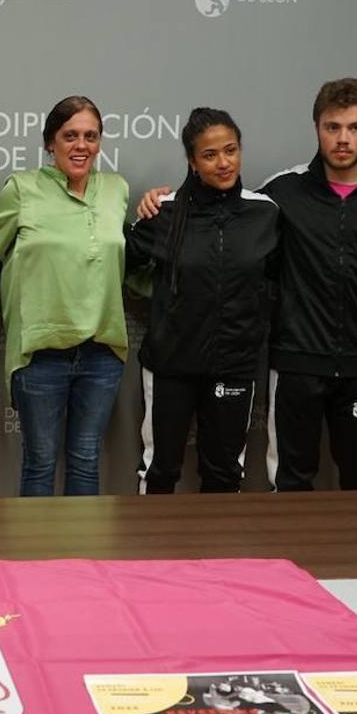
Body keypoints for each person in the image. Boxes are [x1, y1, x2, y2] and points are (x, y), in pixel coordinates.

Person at [0, 95, 129, 497]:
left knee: (86, 462)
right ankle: (34, 562)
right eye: (70, 135)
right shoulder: (22, 189)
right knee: (39, 464)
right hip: (40, 354)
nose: (81, 145)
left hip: (102, 353)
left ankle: (81, 560)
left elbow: (127, 264)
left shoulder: (117, 190)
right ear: (49, 143)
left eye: (90, 136)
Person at [258, 78, 357, 490]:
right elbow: (228, 222)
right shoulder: (283, 191)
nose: (343, 139)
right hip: (297, 360)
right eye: (332, 127)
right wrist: (164, 203)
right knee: (291, 481)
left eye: (355, 127)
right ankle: (287, 555)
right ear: (317, 127)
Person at [127, 108, 278, 493]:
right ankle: (152, 553)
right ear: (193, 162)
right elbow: (122, 266)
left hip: (234, 365)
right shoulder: (164, 212)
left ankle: (217, 554)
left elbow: (278, 279)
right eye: (210, 155)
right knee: (160, 469)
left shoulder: (264, 212)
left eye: (230, 150)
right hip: (170, 366)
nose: (223, 163)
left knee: (225, 472)